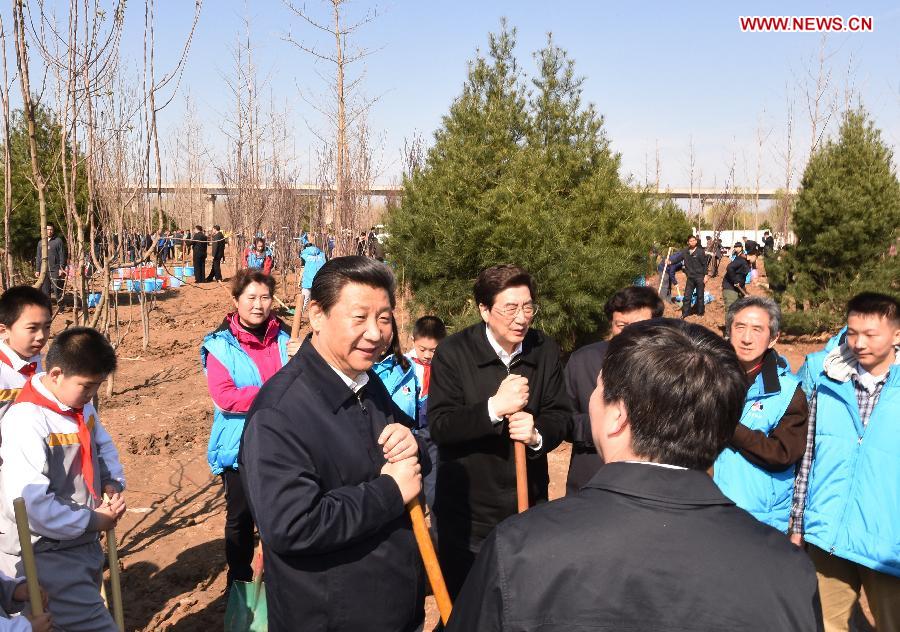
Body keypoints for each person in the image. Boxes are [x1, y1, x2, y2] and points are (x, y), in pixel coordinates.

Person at [446, 319, 823, 631]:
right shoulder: (787, 570)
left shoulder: (520, 548)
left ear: (617, 415)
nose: (591, 399)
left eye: (598, 389)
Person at [239, 256, 429, 632]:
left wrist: (413, 440)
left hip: (392, 605)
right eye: (359, 318)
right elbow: (293, 524)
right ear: (318, 315)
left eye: (385, 318)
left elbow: (410, 446)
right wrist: (390, 491)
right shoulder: (279, 413)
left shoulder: (366, 382)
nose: (375, 333)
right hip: (332, 616)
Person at [428, 264, 572, 599]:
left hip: (527, 507)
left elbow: (560, 415)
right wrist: (494, 409)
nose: (521, 318)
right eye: (510, 308)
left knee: (521, 602)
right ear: (484, 309)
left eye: (527, 307)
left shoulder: (543, 349)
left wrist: (536, 433)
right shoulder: (453, 353)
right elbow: (441, 426)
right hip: (468, 515)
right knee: (468, 604)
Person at [0, 327, 126, 632]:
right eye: (86, 386)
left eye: (97, 386)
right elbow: (33, 505)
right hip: (48, 551)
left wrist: (111, 481)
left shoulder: (79, 406)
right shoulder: (27, 420)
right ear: (56, 374)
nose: (92, 394)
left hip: (83, 544)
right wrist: (92, 521)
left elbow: (101, 445)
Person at [791, 292, 900, 631]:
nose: (858, 342)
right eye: (852, 332)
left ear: (897, 335)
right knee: (825, 625)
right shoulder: (827, 380)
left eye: (870, 334)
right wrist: (798, 524)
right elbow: (808, 456)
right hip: (829, 533)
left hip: (888, 540)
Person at [201, 270, 291, 588]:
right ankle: (238, 578)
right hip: (238, 445)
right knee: (239, 517)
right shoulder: (219, 345)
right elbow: (225, 397)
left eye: (265, 297)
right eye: (250, 297)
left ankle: (280, 578)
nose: (258, 305)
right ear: (236, 300)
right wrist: (273, 392)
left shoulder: (287, 340)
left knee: (282, 512)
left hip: (283, 442)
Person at [712, 296, 808, 532]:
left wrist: (729, 427)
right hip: (707, 507)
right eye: (740, 327)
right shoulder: (708, 378)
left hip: (757, 517)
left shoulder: (788, 393)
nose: (746, 338)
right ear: (729, 331)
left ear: (773, 337)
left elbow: (782, 453)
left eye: (757, 330)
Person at [563, 286, 664, 494]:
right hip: (591, 478)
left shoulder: (670, 365)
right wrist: (605, 426)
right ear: (611, 323)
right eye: (621, 325)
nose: (629, 333)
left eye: (639, 325)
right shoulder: (583, 361)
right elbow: (563, 419)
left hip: (650, 483)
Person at [405, 315, 446, 513]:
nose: (428, 355)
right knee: (411, 484)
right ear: (413, 341)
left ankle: (437, 533)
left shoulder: (445, 367)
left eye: (433, 350)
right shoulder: (403, 365)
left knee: (435, 483)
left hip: (434, 432)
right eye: (422, 349)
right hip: (410, 432)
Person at [0, 287, 51, 421]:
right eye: (32, 328)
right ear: (3, 331)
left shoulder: (36, 361)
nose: (41, 336)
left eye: (47, 327)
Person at [34, 225, 66, 302]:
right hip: (44, 270)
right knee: (45, 291)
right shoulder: (40, 242)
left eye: (51, 229)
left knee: (57, 289)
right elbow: (38, 257)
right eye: (47, 229)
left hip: (55, 269)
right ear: (44, 230)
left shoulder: (58, 241)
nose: (49, 231)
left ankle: (61, 307)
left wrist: (61, 268)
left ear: (53, 230)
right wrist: (37, 270)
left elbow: (62, 255)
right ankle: (47, 308)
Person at [680, 234, 709, 317]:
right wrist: (670, 261)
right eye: (690, 241)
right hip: (690, 278)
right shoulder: (685, 251)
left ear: (696, 241)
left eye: (694, 240)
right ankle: (685, 313)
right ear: (688, 242)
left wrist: (706, 275)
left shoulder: (700, 251)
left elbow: (704, 264)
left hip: (700, 277)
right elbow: (678, 257)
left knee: (700, 296)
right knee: (687, 296)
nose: (692, 242)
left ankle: (700, 313)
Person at [299, 240, 327, 318]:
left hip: (307, 282)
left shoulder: (304, 255)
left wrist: (299, 280)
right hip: (320, 281)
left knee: (304, 300)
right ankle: (319, 317)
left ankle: (299, 318)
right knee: (318, 301)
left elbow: (302, 268)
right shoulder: (322, 254)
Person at [722, 242, 753, 310]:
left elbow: (741, 275)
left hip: (739, 283)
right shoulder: (738, 257)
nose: (737, 248)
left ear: (741, 248)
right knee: (732, 308)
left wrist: (744, 290)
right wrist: (735, 280)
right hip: (731, 285)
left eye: (738, 247)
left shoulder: (744, 257)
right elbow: (730, 267)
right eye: (736, 247)